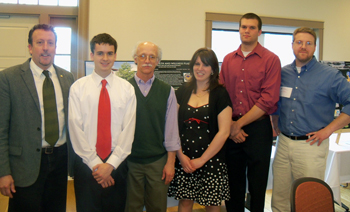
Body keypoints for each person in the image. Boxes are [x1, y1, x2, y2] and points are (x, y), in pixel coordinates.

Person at [271, 27, 350, 212]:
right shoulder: (283, 73)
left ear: (315, 47)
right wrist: (274, 123)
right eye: (299, 42)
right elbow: (274, 102)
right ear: (292, 45)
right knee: (280, 198)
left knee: (308, 199)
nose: (303, 47)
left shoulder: (330, 76)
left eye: (308, 43)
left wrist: (328, 130)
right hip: (283, 143)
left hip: (311, 145)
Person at [0, 24, 75, 212]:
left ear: (56, 48)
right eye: (40, 42)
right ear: (30, 47)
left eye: (50, 43)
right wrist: (3, 172)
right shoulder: (9, 78)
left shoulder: (67, 78)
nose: (45, 47)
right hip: (24, 165)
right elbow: (1, 129)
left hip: (60, 161)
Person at [219, 13, 281, 212]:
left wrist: (238, 125)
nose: (247, 31)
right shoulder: (228, 60)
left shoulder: (271, 60)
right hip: (231, 128)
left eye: (252, 27)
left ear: (259, 31)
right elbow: (221, 95)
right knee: (233, 184)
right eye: (243, 27)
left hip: (258, 128)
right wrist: (231, 125)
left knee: (257, 183)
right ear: (239, 29)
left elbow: (268, 99)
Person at [68, 33, 136, 212]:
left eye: (110, 53)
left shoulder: (127, 89)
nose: (105, 58)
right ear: (92, 55)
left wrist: (111, 165)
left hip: (117, 164)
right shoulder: (78, 88)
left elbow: (128, 131)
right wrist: (96, 165)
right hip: (86, 163)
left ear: (115, 55)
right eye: (100, 53)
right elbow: (75, 129)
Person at [168, 48, 232, 212]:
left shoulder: (220, 94)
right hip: (185, 158)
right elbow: (172, 126)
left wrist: (202, 160)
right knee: (185, 202)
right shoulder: (183, 91)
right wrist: (181, 156)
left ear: (213, 69)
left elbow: (224, 132)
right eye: (197, 64)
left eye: (205, 65)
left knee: (211, 204)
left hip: (211, 159)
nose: (200, 68)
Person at [125, 41, 181, 212]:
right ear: (135, 59)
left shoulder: (167, 91)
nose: (147, 60)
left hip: (158, 162)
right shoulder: (124, 89)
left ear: (158, 61)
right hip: (129, 162)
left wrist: (170, 163)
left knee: (157, 208)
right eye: (142, 56)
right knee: (130, 208)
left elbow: (172, 131)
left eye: (152, 57)